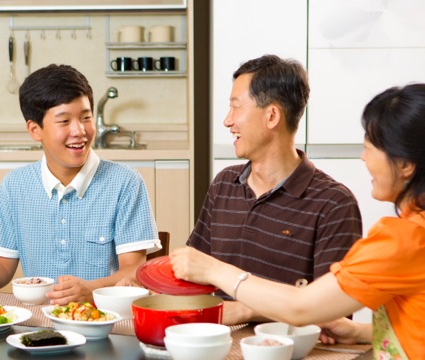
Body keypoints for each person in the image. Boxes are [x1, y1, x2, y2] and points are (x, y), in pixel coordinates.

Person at [171, 83, 425, 359]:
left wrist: (214, 270)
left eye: (369, 147)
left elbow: (301, 307)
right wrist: (359, 332)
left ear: (405, 165)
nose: (363, 157)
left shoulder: (405, 238)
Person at [0, 64, 159, 305]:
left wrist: (89, 290)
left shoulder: (125, 183)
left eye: (86, 117)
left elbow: (134, 270)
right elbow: (0, 265)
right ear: (35, 130)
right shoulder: (15, 186)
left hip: (103, 320)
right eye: (64, 121)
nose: (79, 131)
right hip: (39, 323)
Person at [188, 54, 362, 324]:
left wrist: (247, 310)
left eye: (236, 107)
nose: (227, 121)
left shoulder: (334, 204)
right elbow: (195, 270)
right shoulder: (225, 184)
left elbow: (334, 312)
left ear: (272, 116)